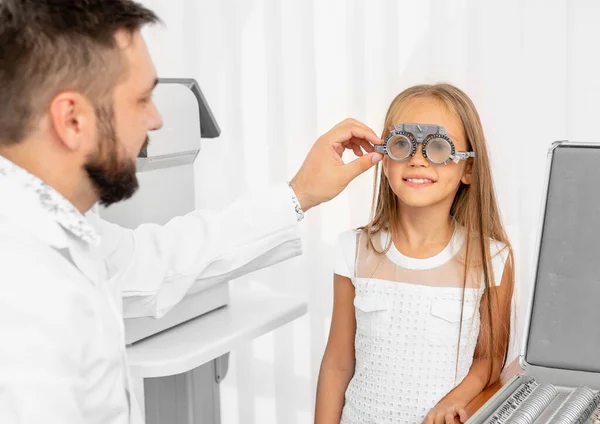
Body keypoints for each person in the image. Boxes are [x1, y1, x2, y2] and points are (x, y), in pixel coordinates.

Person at [0, 1, 384, 423]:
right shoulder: (22, 301)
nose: (157, 119)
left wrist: (299, 194)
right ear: (72, 120)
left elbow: (156, 261)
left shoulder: (62, 226)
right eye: (143, 98)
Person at [314, 84, 515, 424]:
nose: (418, 159)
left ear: (468, 169)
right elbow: (337, 363)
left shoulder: (492, 260)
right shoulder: (353, 250)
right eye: (403, 145)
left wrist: (452, 402)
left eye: (437, 147)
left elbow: (488, 361)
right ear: (385, 159)